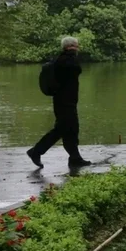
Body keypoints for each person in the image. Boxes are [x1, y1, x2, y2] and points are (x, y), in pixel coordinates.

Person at [27, 37, 91, 168]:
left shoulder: (62, 59)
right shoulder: (65, 60)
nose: (77, 49)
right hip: (64, 102)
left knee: (71, 129)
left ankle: (75, 158)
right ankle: (35, 151)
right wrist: (72, 53)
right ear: (71, 47)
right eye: (76, 46)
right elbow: (76, 69)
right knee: (62, 129)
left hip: (66, 102)